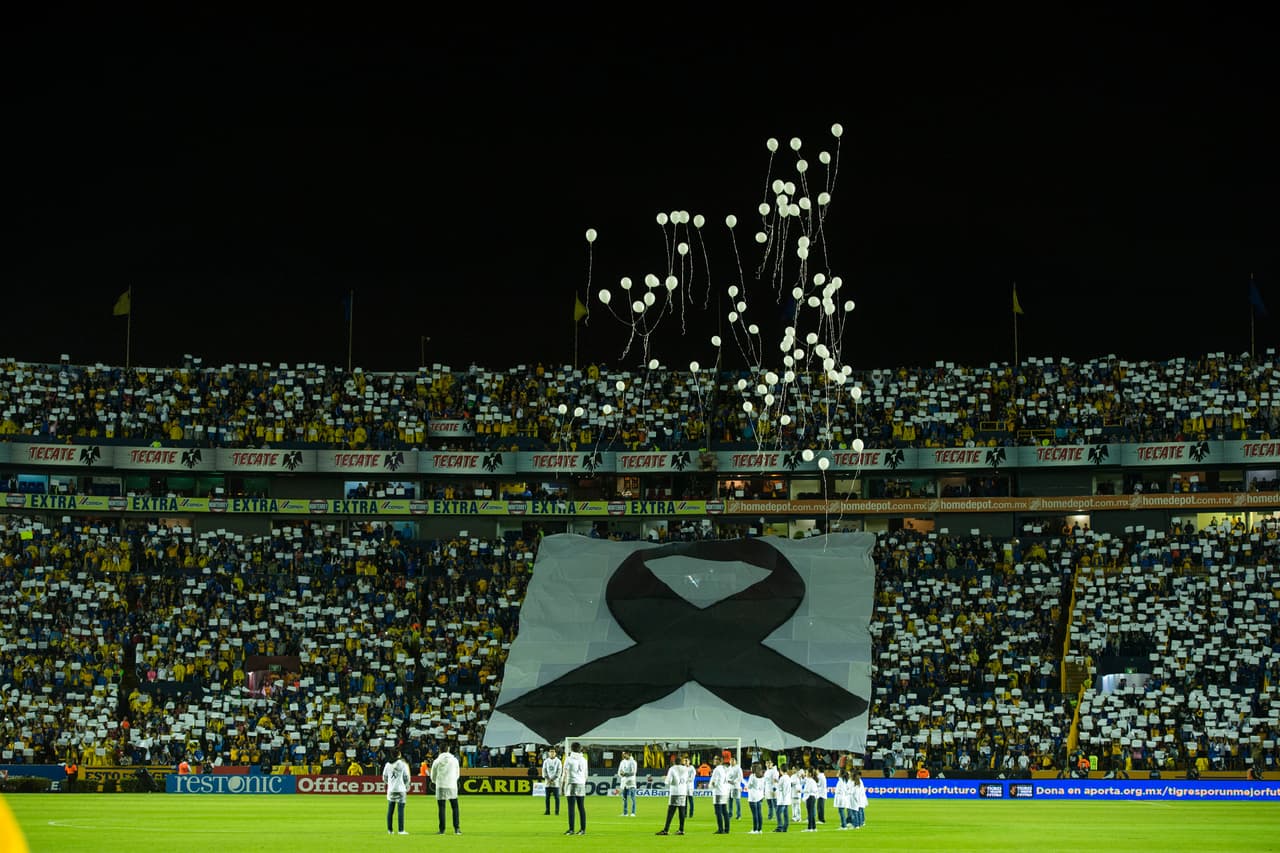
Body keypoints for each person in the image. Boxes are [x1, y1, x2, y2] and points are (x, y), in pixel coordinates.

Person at [656, 752, 690, 836]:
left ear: (674, 762)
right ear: (681, 762)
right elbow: (687, 780)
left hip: (675, 792)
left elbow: (669, 781)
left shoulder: (672, 769)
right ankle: (681, 829)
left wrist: (665, 778)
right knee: (682, 811)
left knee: (671, 812)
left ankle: (666, 830)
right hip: (683, 792)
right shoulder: (686, 769)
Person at [430, 744, 461, 835]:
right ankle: (457, 829)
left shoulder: (437, 761)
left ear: (440, 750)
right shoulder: (454, 760)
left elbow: (433, 775)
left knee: (441, 807)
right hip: (452, 785)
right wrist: (453, 780)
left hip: (441, 785)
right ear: (448, 749)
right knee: (455, 807)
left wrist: (436, 781)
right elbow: (457, 774)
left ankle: (442, 830)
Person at [382, 748, 411, 835]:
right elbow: (406, 777)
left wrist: (389, 783)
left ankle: (390, 830)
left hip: (391, 789)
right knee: (400, 810)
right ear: (399, 754)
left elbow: (384, 777)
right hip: (401, 789)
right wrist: (405, 785)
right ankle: (401, 830)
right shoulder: (403, 764)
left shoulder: (388, 764)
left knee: (390, 810)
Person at [562, 741, 588, 835]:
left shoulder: (568, 759)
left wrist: (562, 785)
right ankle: (583, 829)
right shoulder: (584, 760)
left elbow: (564, 773)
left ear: (571, 749)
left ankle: (571, 829)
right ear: (580, 749)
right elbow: (586, 774)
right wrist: (583, 782)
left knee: (571, 808)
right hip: (581, 784)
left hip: (571, 784)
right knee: (581, 807)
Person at [709, 755, 731, 834]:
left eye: (716, 759)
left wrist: (712, 785)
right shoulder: (724, 769)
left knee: (718, 812)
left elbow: (716, 781)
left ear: (720, 760)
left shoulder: (717, 769)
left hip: (718, 792)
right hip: (724, 792)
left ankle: (720, 829)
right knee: (724, 811)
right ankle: (727, 829)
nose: (714, 760)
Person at [745, 762, 766, 834]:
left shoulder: (752, 776)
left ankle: (755, 829)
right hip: (759, 796)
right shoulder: (762, 776)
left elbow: (749, 786)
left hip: (753, 797)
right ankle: (759, 829)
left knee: (755, 814)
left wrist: (748, 786)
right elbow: (763, 786)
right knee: (759, 813)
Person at [541, 747, 562, 816]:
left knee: (557, 798)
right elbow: (544, 771)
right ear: (548, 753)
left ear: (555, 753)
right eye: (550, 751)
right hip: (548, 782)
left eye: (553, 751)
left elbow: (559, 771)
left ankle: (557, 811)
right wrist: (548, 779)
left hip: (555, 782)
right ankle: (547, 811)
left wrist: (552, 779)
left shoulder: (558, 761)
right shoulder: (546, 761)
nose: (552, 753)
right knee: (547, 798)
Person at [772, 762, 792, 832]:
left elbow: (781, 788)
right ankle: (785, 827)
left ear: (781, 770)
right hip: (787, 799)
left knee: (778, 813)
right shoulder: (788, 777)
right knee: (785, 813)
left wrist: (775, 786)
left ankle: (780, 827)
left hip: (782, 799)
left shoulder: (782, 778)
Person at [617, 750, 638, 817]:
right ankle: (625, 813)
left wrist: (625, 774)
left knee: (632, 798)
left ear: (629, 754)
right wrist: (621, 774)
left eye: (625, 754)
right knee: (624, 798)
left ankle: (633, 813)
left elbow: (633, 772)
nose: (624, 755)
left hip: (631, 781)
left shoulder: (633, 762)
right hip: (624, 781)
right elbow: (619, 771)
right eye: (623, 754)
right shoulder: (622, 762)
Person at [726, 754, 743, 820]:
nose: (732, 761)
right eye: (731, 760)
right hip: (729, 787)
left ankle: (739, 815)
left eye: (733, 760)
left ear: (736, 761)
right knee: (730, 801)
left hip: (736, 787)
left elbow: (740, 777)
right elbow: (726, 776)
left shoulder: (738, 768)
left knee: (737, 801)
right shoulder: (728, 768)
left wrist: (734, 782)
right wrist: (728, 780)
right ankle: (730, 814)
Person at [802, 767, 820, 831]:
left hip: (810, 797)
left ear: (809, 773)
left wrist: (800, 791)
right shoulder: (812, 780)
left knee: (810, 813)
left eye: (806, 772)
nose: (805, 773)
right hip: (812, 797)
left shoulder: (810, 781)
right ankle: (814, 827)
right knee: (811, 812)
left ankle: (810, 828)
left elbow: (807, 790)